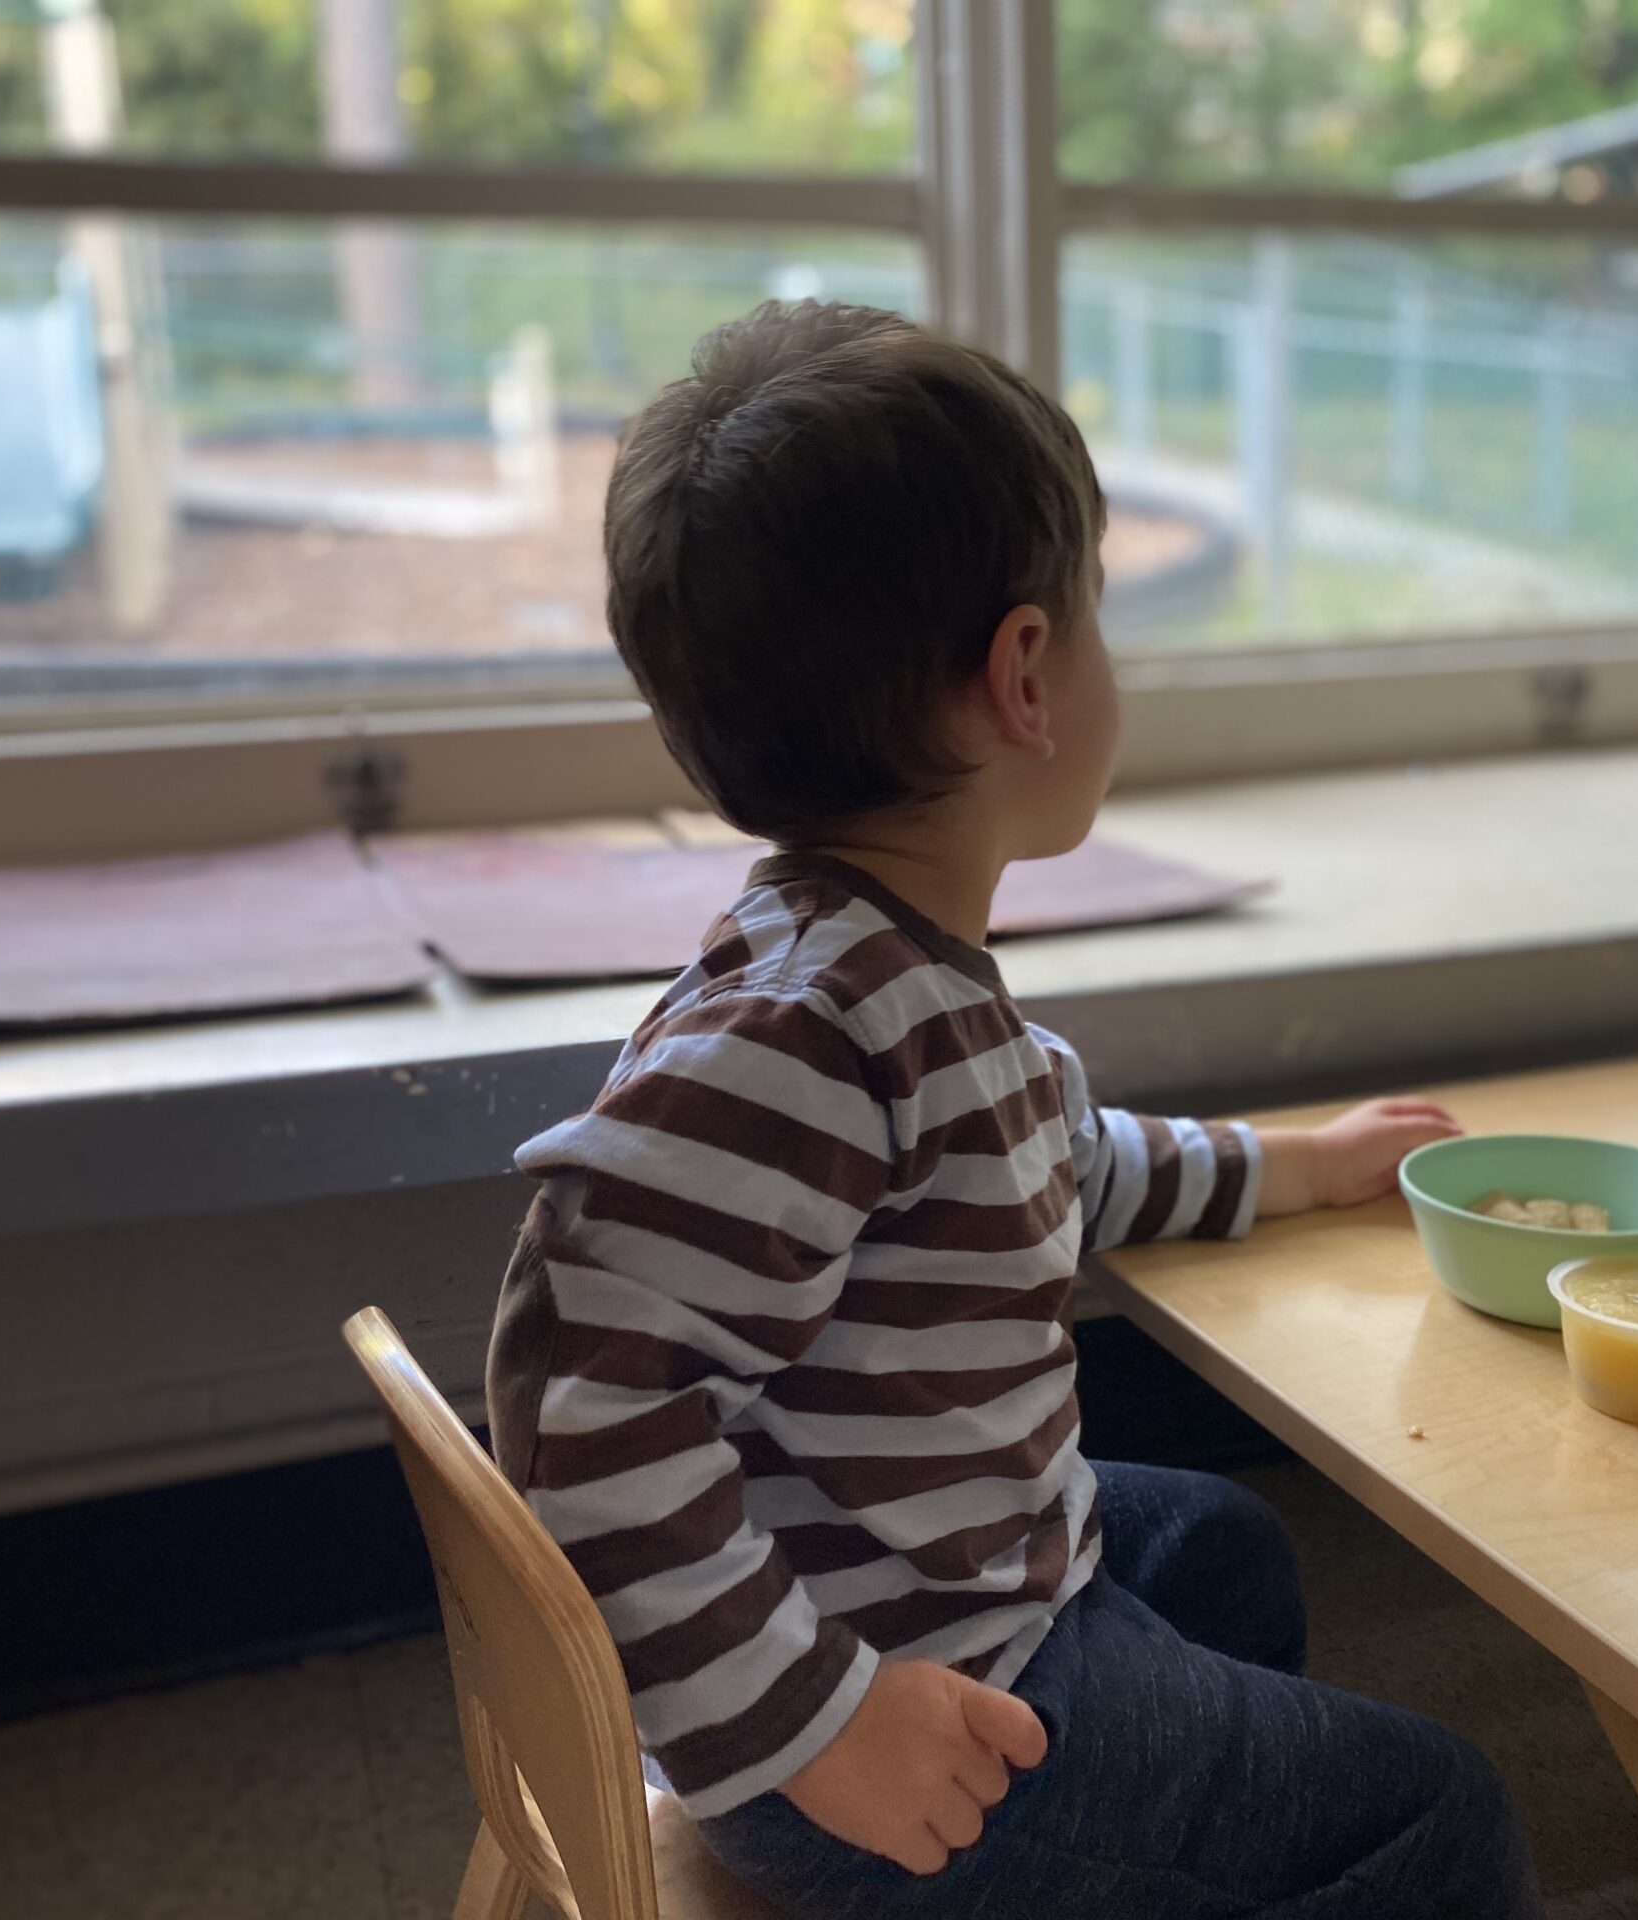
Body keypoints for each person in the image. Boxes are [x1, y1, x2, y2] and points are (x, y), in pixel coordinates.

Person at [484, 300, 1541, 1920]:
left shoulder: (881, 970)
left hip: (962, 1567)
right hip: (876, 1708)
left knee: (1227, 1550)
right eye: (1098, 616)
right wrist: (822, 1727)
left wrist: (1296, 1167)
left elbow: (1046, 1165)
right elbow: (580, 1392)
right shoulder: (811, 1032)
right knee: (1437, 1816)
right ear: (1026, 675)